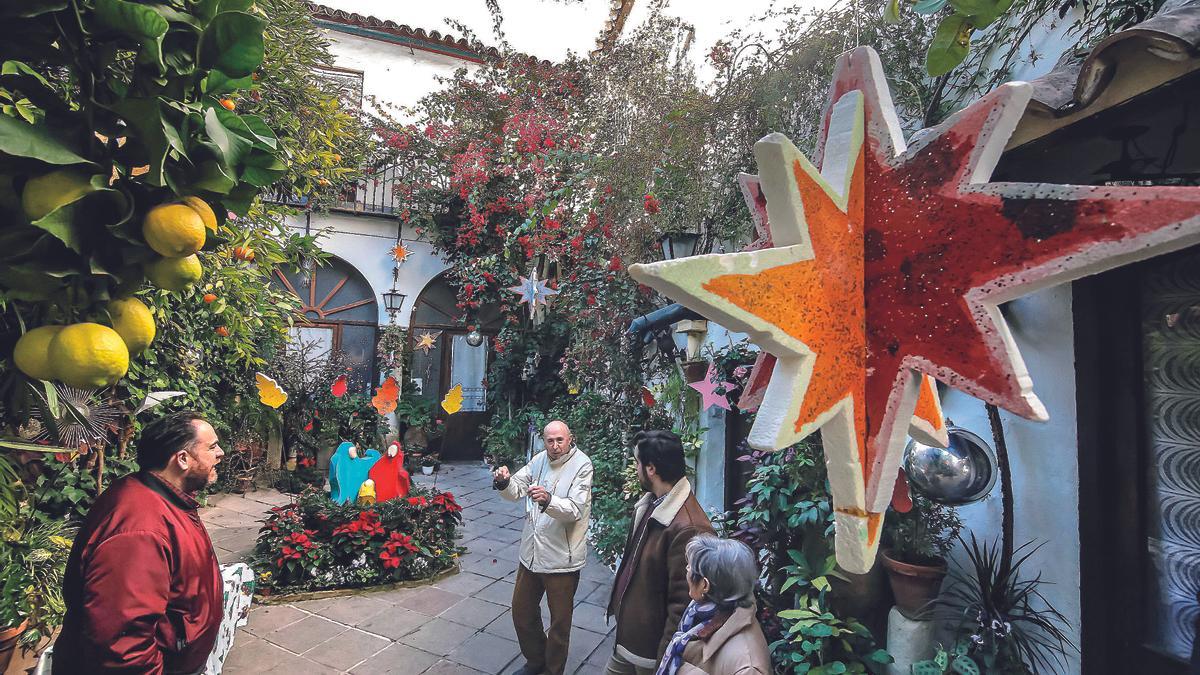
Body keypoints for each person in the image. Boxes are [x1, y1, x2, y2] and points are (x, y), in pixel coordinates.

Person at [54, 411, 229, 674]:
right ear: (182, 459)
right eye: (212, 446)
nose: (221, 453)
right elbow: (123, 647)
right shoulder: (140, 531)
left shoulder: (162, 499)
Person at [606, 430, 715, 675]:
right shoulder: (653, 503)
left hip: (649, 654)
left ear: (651, 469)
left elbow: (685, 603)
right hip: (629, 638)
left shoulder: (689, 528)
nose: (635, 469)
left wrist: (664, 660)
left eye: (637, 463)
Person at [493, 420, 594, 675]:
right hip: (532, 553)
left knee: (560, 624)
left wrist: (549, 500)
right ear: (544, 441)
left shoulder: (582, 465)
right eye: (550, 441)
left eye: (560, 440)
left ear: (570, 438)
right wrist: (504, 481)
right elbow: (516, 490)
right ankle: (536, 661)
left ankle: (553, 670)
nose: (555, 446)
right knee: (522, 612)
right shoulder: (539, 460)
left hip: (562, 558)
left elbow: (575, 509)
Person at [655, 535, 771, 675]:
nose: (686, 569)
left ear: (704, 585)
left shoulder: (748, 668)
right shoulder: (701, 612)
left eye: (690, 567)